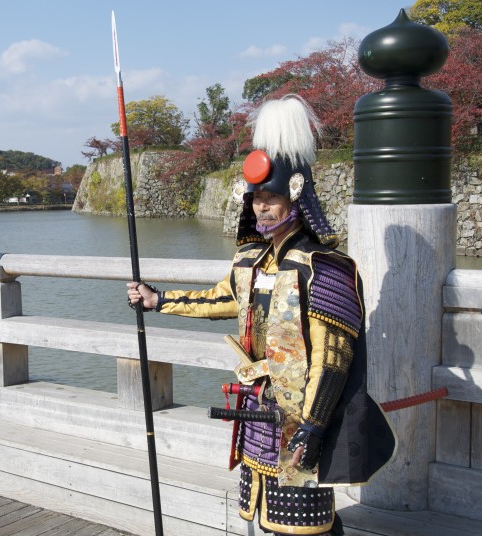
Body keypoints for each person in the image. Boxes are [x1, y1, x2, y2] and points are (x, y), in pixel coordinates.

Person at [127, 95, 395, 536]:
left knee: (305, 522)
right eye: (255, 199)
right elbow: (224, 300)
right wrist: (159, 300)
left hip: (301, 413)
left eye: (270, 198)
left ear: (296, 197)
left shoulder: (322, 267)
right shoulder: (251, 260)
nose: (261, 208)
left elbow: (332, 360)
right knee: (264, 514)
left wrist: (312, 425)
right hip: (258, 405)